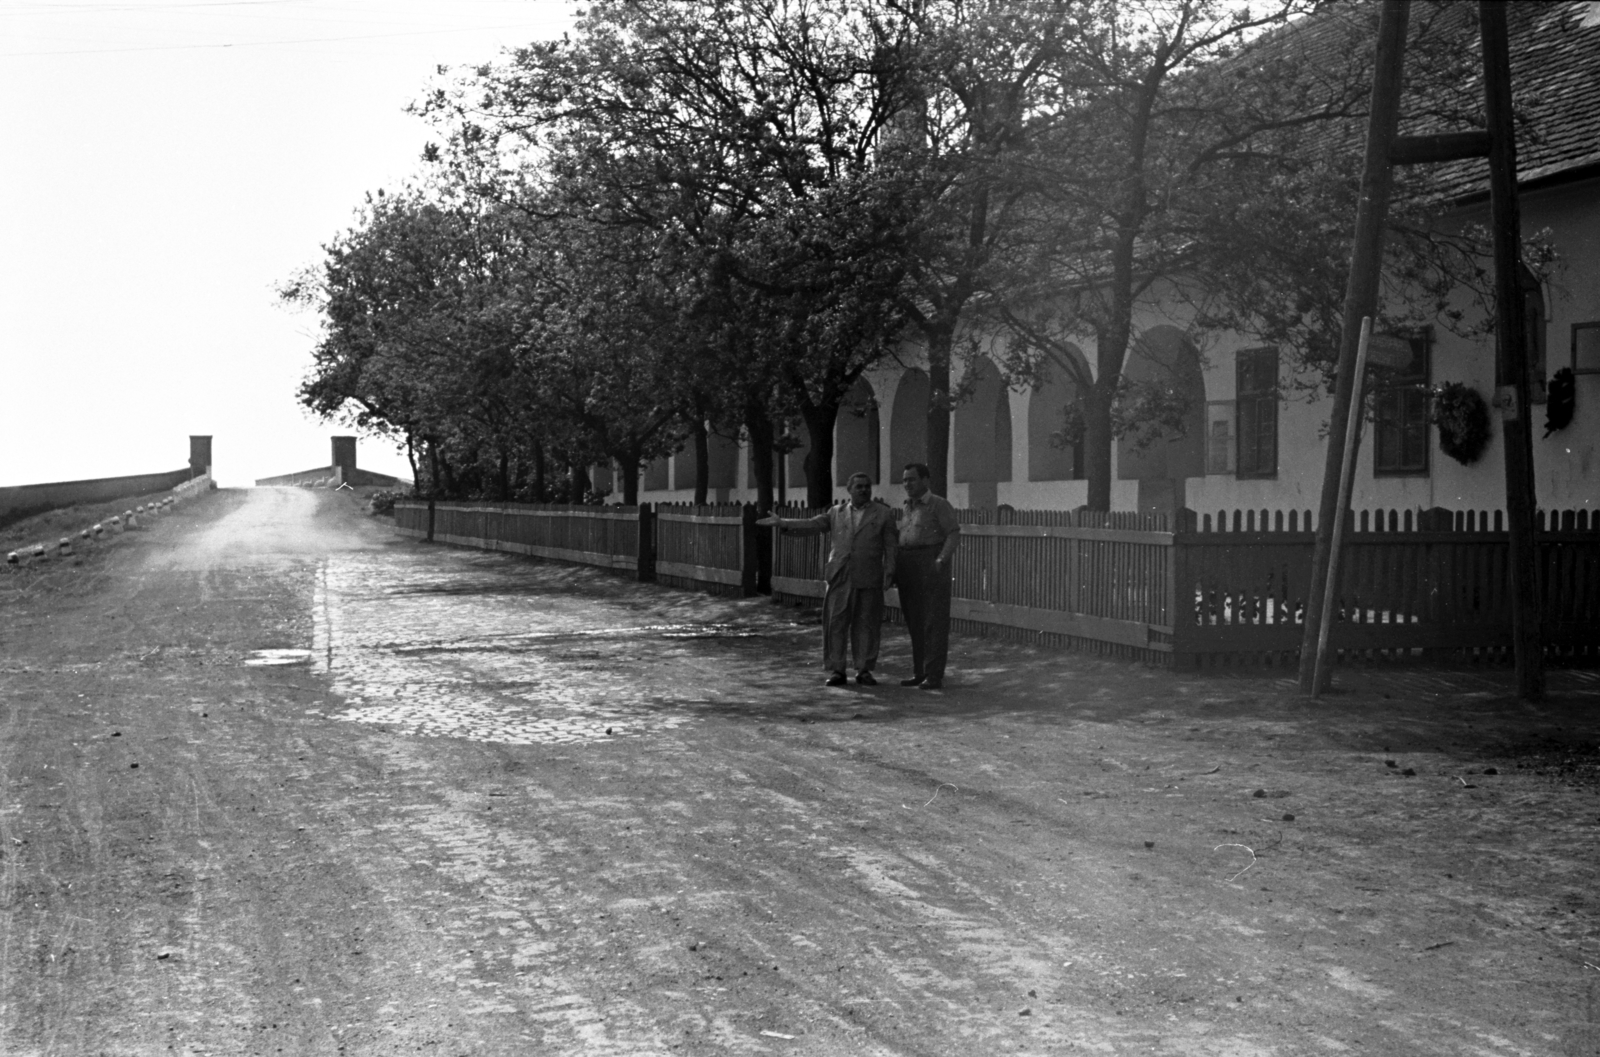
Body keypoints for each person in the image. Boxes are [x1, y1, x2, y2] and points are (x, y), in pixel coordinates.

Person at [758, 472, 898, 686]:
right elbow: (813, 524)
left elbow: (891, 546)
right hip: (840, 575)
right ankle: (837, 670)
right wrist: (783, 522)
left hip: (869, 575)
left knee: (867, 623)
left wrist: (889, 571)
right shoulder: (836, 512)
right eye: (859, 486)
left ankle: (864, 670)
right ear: (849, 490)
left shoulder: (883, 514)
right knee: (835, 622)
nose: (864, 490)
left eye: (867, 486)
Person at [895, 462, 960, 689]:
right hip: (908, 565)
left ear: (925, 480)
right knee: (915, 621)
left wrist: (941, 560)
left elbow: (953, 533)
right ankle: (920, 672)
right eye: (904, 480)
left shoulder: (938, 504)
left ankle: (934, 675)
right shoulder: (907, 507)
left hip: (930, 563)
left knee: (934, 621)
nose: (907, 484)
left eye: (912, 479)